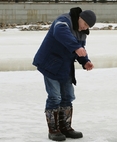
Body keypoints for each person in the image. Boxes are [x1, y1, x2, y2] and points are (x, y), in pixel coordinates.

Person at [32, 7, 96, 141]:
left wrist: (85, 61)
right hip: (50, 63)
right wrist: (76, 47)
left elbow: (81, 49)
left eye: (87, 27)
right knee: (55, 97)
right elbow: (60, 32)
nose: (85, 28)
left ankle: (65, 127)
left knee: (68, 96)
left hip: (65, 66)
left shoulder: (82, 33)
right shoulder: (63, 21)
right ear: (80, 18)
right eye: (85, 24)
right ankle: (53, 130)